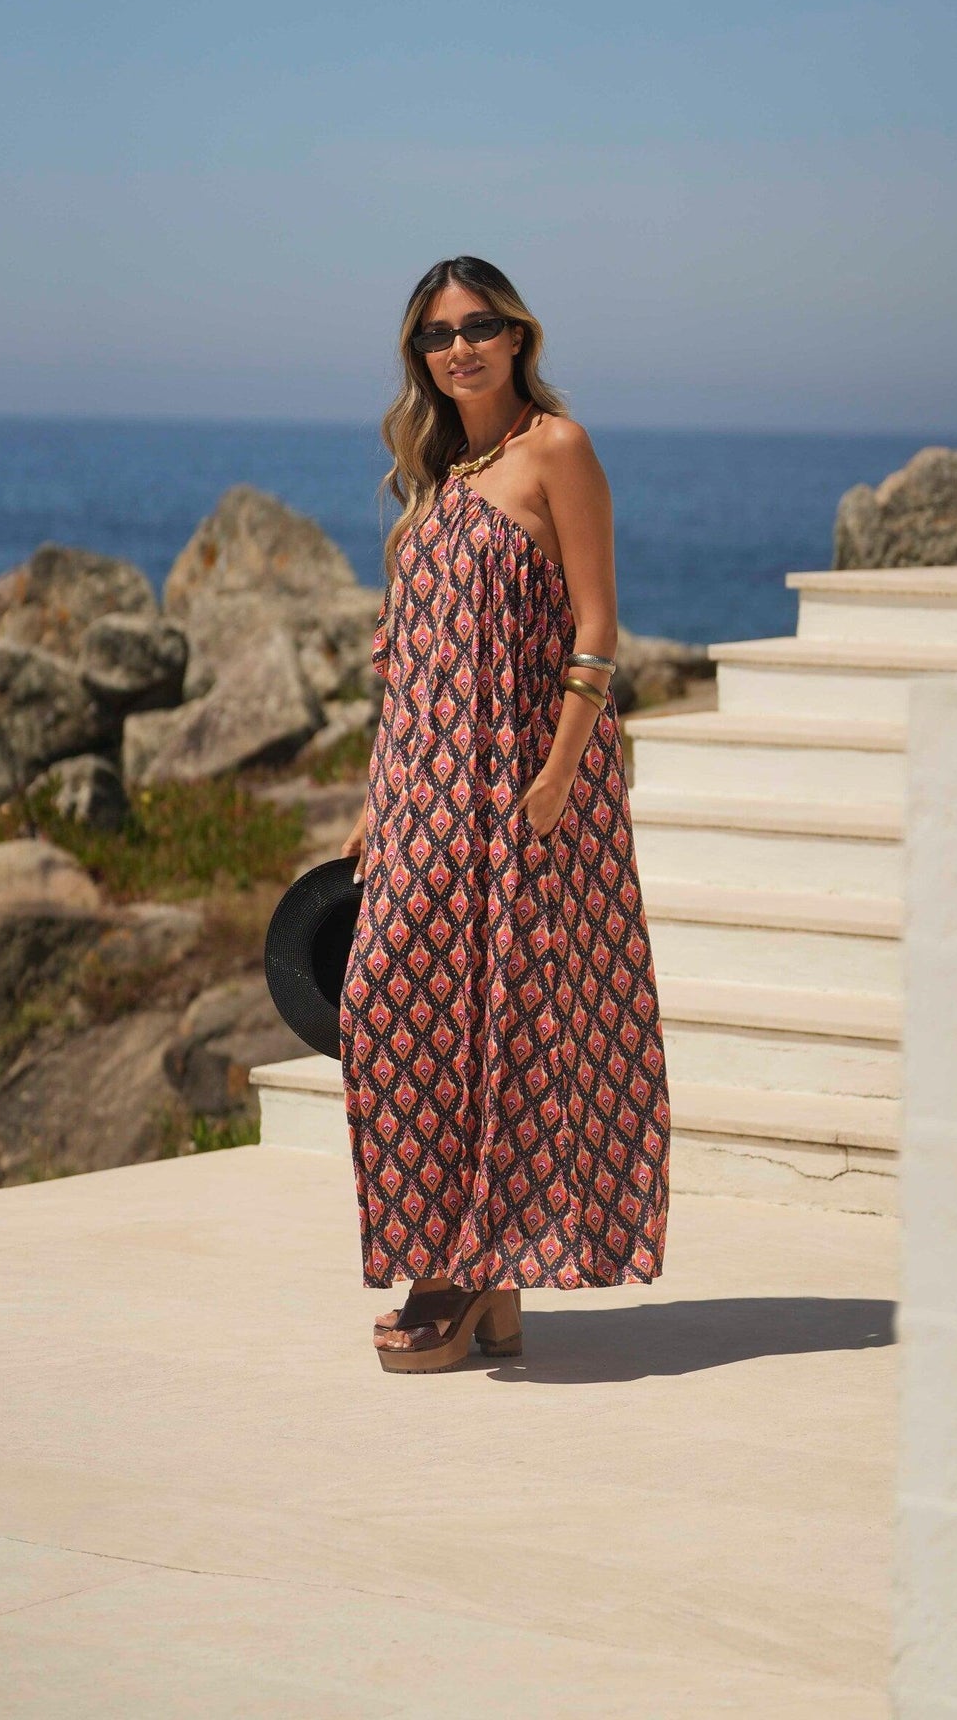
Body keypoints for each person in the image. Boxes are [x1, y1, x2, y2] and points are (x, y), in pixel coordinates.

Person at [340, 257, 670, 1374]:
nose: (460, 348)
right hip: (422, 791)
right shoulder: (438, 476)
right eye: (437, 335)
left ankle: (466, 1273)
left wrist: (559, 774)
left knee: (512, 1027)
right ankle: (466, 1265)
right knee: (387, 1003)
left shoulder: (556, 450)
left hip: (525, 788)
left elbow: (596, 626)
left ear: (517, 334)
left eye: (479, 325)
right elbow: (410, 666)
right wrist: (375, 799)